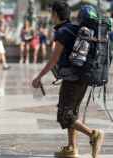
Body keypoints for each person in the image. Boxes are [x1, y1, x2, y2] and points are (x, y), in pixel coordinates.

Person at [32, 1, 104, 158]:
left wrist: (39, 77)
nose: (51, 16)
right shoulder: (74, 28)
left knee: (64, 115)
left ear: (55, 15)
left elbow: (53, 59)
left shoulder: (62, 32)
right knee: (72, 113)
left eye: (52, 13)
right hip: (84, 77)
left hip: (72, 80)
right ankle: (72, 148)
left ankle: (93, 134)